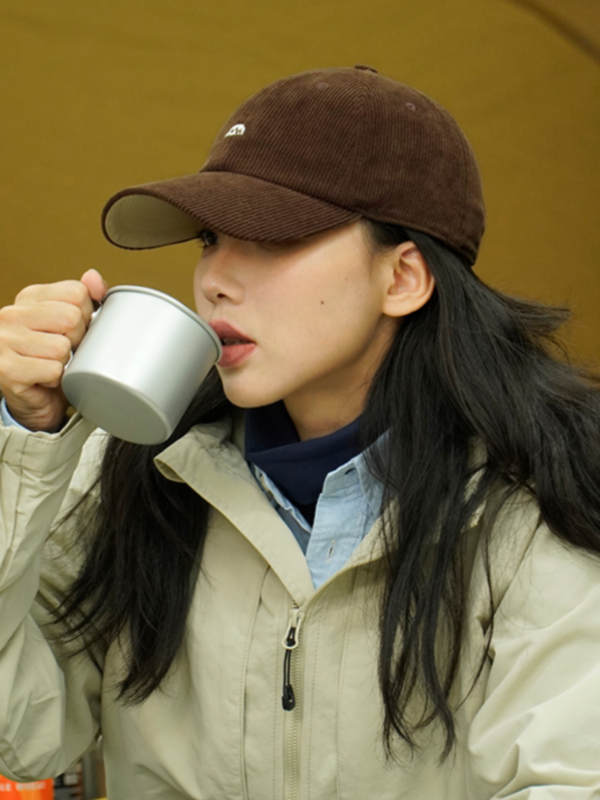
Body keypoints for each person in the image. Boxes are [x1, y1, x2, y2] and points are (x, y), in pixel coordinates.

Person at [1, 65, 600, 800]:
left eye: (271, 236)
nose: (214, 280)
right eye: (210, 238)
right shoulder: (129, 470)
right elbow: (22, 735)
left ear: (403, 278)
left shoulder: (534, 503)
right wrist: (22, 438)